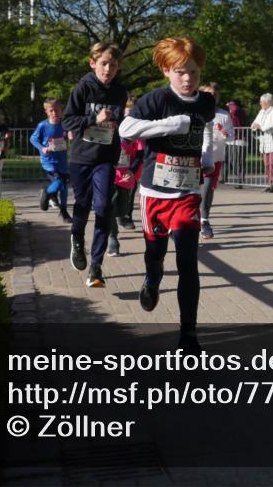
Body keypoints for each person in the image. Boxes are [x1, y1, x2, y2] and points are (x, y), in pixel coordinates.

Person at [118, 37, 215, 353]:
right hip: (153, 193)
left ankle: (189, 335)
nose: (188, 79)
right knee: (155, 255)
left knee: (188, 260)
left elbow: (207, 127)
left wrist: (209, 156)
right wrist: (169, 125)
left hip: (186, 193)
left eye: (194, 72)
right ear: (166, 70)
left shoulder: (205, 102)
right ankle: (151, 279)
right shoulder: (155, 100)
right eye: (180, 72)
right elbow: (125, 130)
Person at [62, 42, 128, 289]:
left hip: (106, 158)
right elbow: (68, 120)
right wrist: (93, 118)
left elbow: (122, 122)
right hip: (81, 157)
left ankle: (96, 265)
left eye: (113, 64)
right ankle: (77, 240)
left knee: (103, 208)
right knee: (82, 204)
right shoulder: (83, 88)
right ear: (93, 63)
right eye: (103, 63)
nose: (108, 68)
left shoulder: (120, 92)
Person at [108, 97, 145, 257]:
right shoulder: (112, 127)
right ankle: (112, 239)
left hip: (127, 175)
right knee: (108, 205)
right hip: (109, 173)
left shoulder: (138, 131)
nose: (128, 118)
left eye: (133, 114)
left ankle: (123, 217)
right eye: (126, 114)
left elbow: (140, 153)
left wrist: (132, 170)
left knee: (121, 209)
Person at [199, 82, 233, 240]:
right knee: (193, 190)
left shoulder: (223, 115)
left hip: (215, 158)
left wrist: (226, 134)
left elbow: (232, 135)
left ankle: (204, 220)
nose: (211, 97)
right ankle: (189, 218)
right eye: (208, 94)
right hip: (195, 156)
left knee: (207, 189)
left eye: (214, 94)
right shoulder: (195, 111)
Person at [30, 97, 72, 223]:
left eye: (57, 110)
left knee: (64, 188)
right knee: (59, 183)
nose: (55, 113)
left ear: (61, 111)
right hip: (49, 162)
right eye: (51, 111)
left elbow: (69, 135)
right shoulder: (43, 125)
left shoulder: (64, 124)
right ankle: (47, 192)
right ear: (46, 112)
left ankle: (63, 211)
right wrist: (43, 148)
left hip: (62, 161)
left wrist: (70, 135)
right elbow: (33, 139)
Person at [251, 93, 273, 191]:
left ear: (267, 102)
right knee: (267, 164)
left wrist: (261, 127)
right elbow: (254, 123)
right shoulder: (261, 111)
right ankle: (270, 184)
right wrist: (255, 126)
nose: (260, 104)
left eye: (261, 102)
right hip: (264, 142)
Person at [225, 99, 247, 188]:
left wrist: (229, 104)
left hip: (239, 140)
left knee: (239, 162)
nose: (230, 106)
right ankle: (238, 179)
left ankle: (240, 181)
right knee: (231, 161)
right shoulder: (231, 113)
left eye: (231, 104)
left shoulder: (239, 112)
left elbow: (234, 110)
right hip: (231, 140)